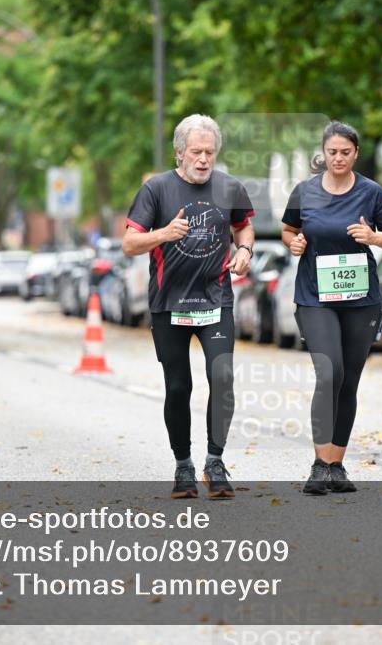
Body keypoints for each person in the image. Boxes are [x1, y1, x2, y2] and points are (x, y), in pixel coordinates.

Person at [122, 114, 254, 500]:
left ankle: (215, 462)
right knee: (179, 387)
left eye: (209, 152)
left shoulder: (229, 187)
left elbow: (243, 225)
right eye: (196, 152)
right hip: (170, 304)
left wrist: (244, 249)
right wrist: (164, 233)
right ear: (180, 153)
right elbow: (130, 243)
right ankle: (184, 467)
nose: (203, 159)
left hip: (215, 301)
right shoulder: (157, 189)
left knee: (223, 378)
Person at [281, 121, 382, 495]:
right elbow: (289, 230)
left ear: (355, 154)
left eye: (346, 152)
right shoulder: (305, 191)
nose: (338, 158)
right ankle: (320, 464)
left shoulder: (371, 193)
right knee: (329, 372)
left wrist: (375, 237)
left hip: (360, 300)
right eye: (332, 152)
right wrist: (295, 243)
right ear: (323, 154)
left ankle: (337, 464)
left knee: (349, 380)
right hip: (315, 296)